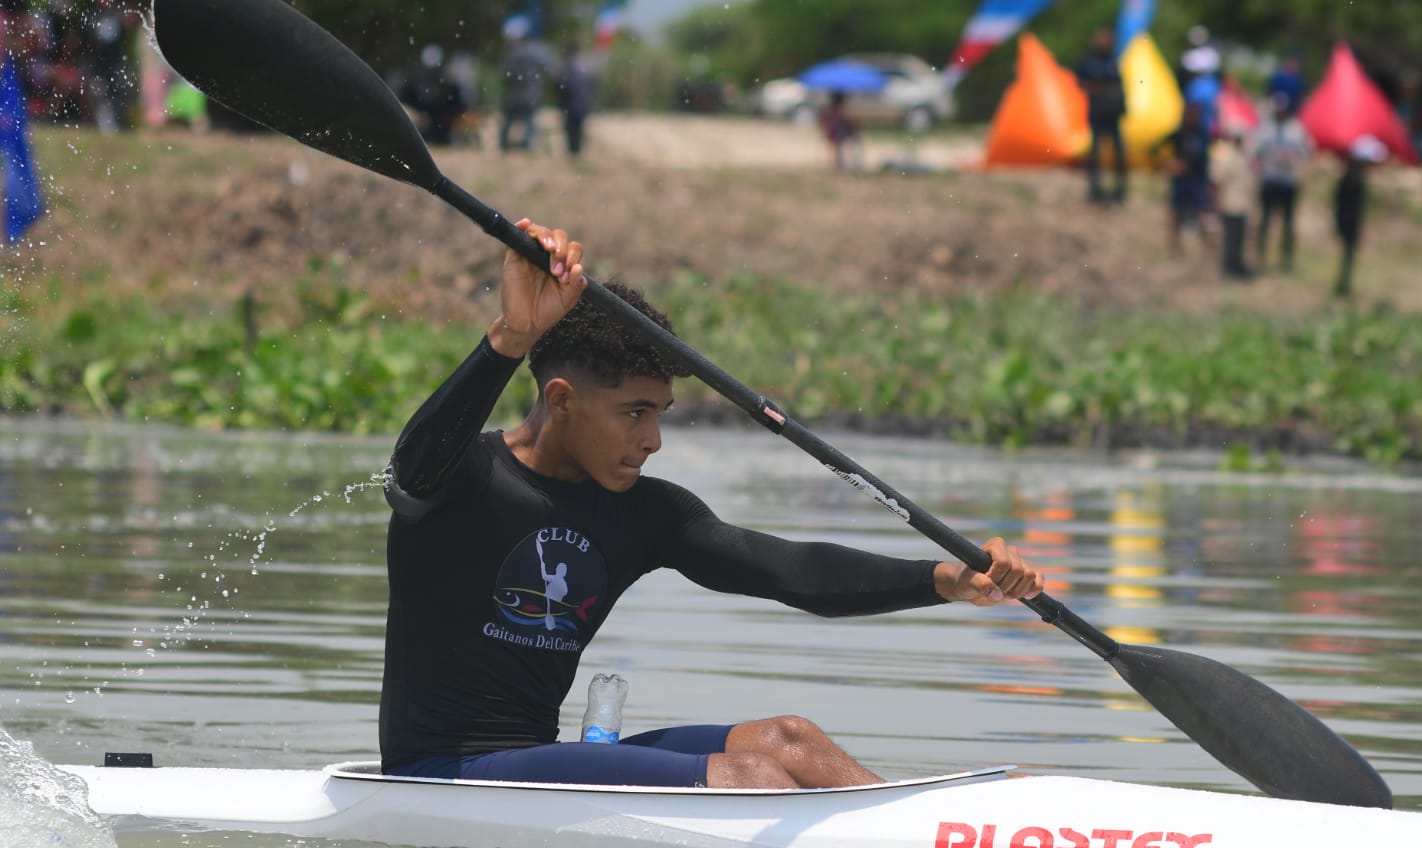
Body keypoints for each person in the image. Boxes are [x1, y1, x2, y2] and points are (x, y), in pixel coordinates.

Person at [379, 220, 1046, 790]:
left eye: (660, 413)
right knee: (749, 780)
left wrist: (948, 581)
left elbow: (791, 571)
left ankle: (921, 840)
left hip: (539, 764)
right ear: (560, 402)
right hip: (442, 770)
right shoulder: (456, 476)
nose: (653, 440)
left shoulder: (645, 514)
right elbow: (409, 466)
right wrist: (509, 339)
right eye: (634, 413)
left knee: (790, 741)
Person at [1253, 92, 1310, 272]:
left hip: (1289, 181)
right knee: (1265, 220)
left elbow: (1307, 151)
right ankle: (1260, 256)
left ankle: (1286, 259)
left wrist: (1291, 157)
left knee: (1288, 222)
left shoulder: (1297, 129)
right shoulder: (1265, 128)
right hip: (1269, 179)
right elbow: (1255, 151)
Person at [1074, 26, 1127, 204]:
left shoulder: (1114, 60)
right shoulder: (1088, 62)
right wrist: (1093, 87)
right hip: (1097, 114)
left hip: (1113, 115)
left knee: (1118, 154)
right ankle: (1095, 190)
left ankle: (1120, 191)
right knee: (1095, 154)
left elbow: (1121, 85)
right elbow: (1078, 82)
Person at [1333, 134, 1386, 298]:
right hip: (1349, 221)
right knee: (1348, 254)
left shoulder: (1350, 175)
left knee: (1348, 255)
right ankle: (1344, 284)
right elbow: (1352, 207)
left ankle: (1344, 283)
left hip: (1346, 220)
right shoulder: (1355, 179)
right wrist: (1356, 226)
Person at [1162, 101, 1212, 256]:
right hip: (1181, 182)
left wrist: (1185, 165)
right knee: (1177, 213)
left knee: (1201, 215)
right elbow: (1158, 146)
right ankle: (1175, 248)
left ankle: (1207, 249)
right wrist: (1169, 164)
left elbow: (1201, 157)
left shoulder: (1202, 135)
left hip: (1197, 181)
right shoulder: (1179, 133)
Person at [1212, 125, 1254, 279]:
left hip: (1242, 204)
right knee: (1230, 238)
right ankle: (1229, 268)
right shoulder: (1225, 155)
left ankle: (1237, 265)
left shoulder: (1243, 154)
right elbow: (1216, 181)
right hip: (1229, 203)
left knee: (1240, 237)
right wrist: (1216, 202)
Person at [499, 25, 550, 152]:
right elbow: (546, 70)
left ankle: (504, 144)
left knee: (508, 120)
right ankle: (526, 145)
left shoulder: (514, 54)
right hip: (532, 93)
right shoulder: (538, 55)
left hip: (515, 93)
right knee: (529, 120)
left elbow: (506, 72)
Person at [556, 42, 597, 157]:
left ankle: (572, 151)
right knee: (579, 127)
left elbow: (561, 84)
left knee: (571, 128)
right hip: (584, 102)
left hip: (570, 102)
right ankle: (577, 151)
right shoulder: (587, 65)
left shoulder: (567, 66)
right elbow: (593, 84)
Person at [818, 91, 861, 171]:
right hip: (837, 135)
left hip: (837, 134)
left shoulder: (829, 111)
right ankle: (851, 163)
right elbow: (843, 125)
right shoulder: (836, 112)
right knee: (849, 142)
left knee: (844, 143)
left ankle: (842, 163)